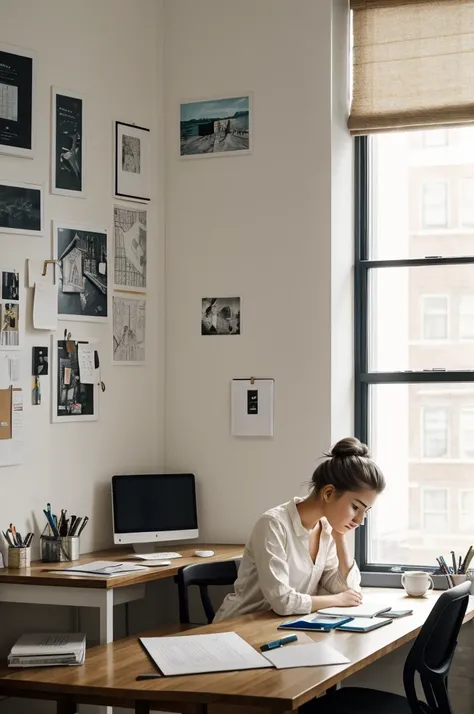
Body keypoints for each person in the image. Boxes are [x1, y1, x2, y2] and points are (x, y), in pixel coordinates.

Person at [214, 437, 385, 621]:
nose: (360, 520)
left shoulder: (326, 529)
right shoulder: (273, 524)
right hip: (238, 627)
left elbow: (350, 592)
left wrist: (339, 536)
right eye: (355, 507)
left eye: (366, 511)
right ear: (328, 493)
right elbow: (283, 602)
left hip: (283, 627)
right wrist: (337, 599)